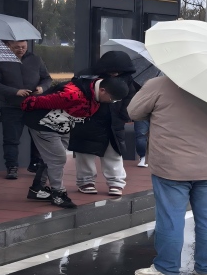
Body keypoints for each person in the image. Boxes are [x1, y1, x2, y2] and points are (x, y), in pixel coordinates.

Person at [127, 75, 207, 275]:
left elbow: (133, 111)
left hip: (171, 165)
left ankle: (167, 268)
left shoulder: (160, 84)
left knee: (170, 217)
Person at [20, 76, 130, 208]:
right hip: (43, 124)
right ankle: (58, 194)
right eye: (112, 99)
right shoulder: (72, 94)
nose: (112, 102)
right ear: (102, 91)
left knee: (51, 158)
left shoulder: (93, 92)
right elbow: (32, 103)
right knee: (58, 158)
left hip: (64, 125)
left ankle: (37, 188)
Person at [70, 51, 137, 196]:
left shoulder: (127, 79)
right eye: (112, 71)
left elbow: (130, 98)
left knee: (113, 153)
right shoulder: (85, 76)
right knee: (84, 152)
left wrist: (125, 115)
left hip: (113, 122)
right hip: (88, 120)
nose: (115, 73)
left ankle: (116, 183)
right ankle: (86, 181)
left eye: (118, 71)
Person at [0, 40, 52, 180]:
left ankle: (36, 163)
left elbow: (47, 78)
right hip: (11, 106)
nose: (21, 49)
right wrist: (14, 91)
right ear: (9, 45)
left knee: (39, 136)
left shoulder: (35, 59)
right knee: (11, 139)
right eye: (17, 47)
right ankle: (12, 167)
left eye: (23, 47)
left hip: (34, 105)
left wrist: (42, 88)